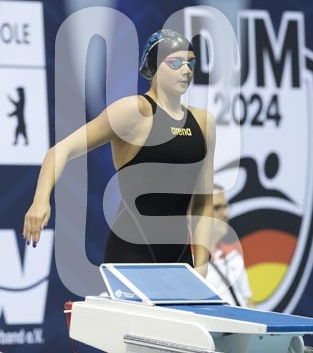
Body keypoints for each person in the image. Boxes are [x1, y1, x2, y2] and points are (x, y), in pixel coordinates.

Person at [23, 29, 215, 275]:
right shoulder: (133, 111)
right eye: (175, 63)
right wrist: (40, 201)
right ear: (154, 66)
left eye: (191, 63)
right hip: (131, 254)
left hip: (180, 258)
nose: (186, 70)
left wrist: (202, 265)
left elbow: (203, 203)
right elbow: (60, 150)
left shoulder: (203, 122)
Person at [205, 185, 255, 308]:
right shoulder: (185, 261)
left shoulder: (233, 255)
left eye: (226, 207)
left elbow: (249, 303)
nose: (226, 213)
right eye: (217, 208)